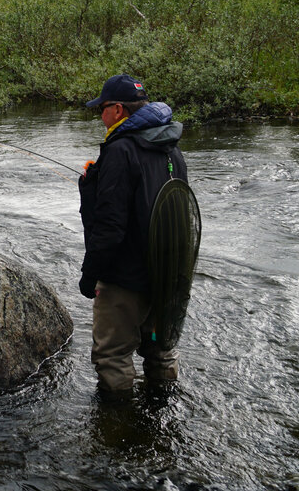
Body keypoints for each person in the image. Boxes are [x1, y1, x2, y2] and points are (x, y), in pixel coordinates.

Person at [78, 73, 187, 393]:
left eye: (102, 108)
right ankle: (161, 415)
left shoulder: (120, 150)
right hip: (167, 277)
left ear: (118, 110)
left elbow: (110, 227)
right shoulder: (172, 147)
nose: (99, 115)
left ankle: (118, 429)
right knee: (160, 350)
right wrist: (93, 186)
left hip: (126, 279)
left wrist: (90, 275)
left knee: (113, 357)